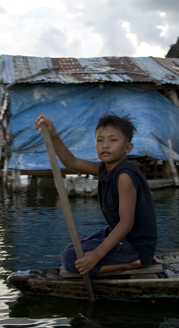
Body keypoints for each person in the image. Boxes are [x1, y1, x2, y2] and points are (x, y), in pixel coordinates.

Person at [35, 113, 158, 276]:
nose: (105, 145)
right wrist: (53, 134)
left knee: (71, 259)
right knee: (73, 248)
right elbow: (71, 162)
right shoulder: (105, 169)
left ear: (127, 148)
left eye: (112, 140)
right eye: (100, 140)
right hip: (122, 236)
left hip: (135, 244)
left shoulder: (124, 177)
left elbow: (126, 223)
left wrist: (97, 255)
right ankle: (130, 259)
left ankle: (133, 264)